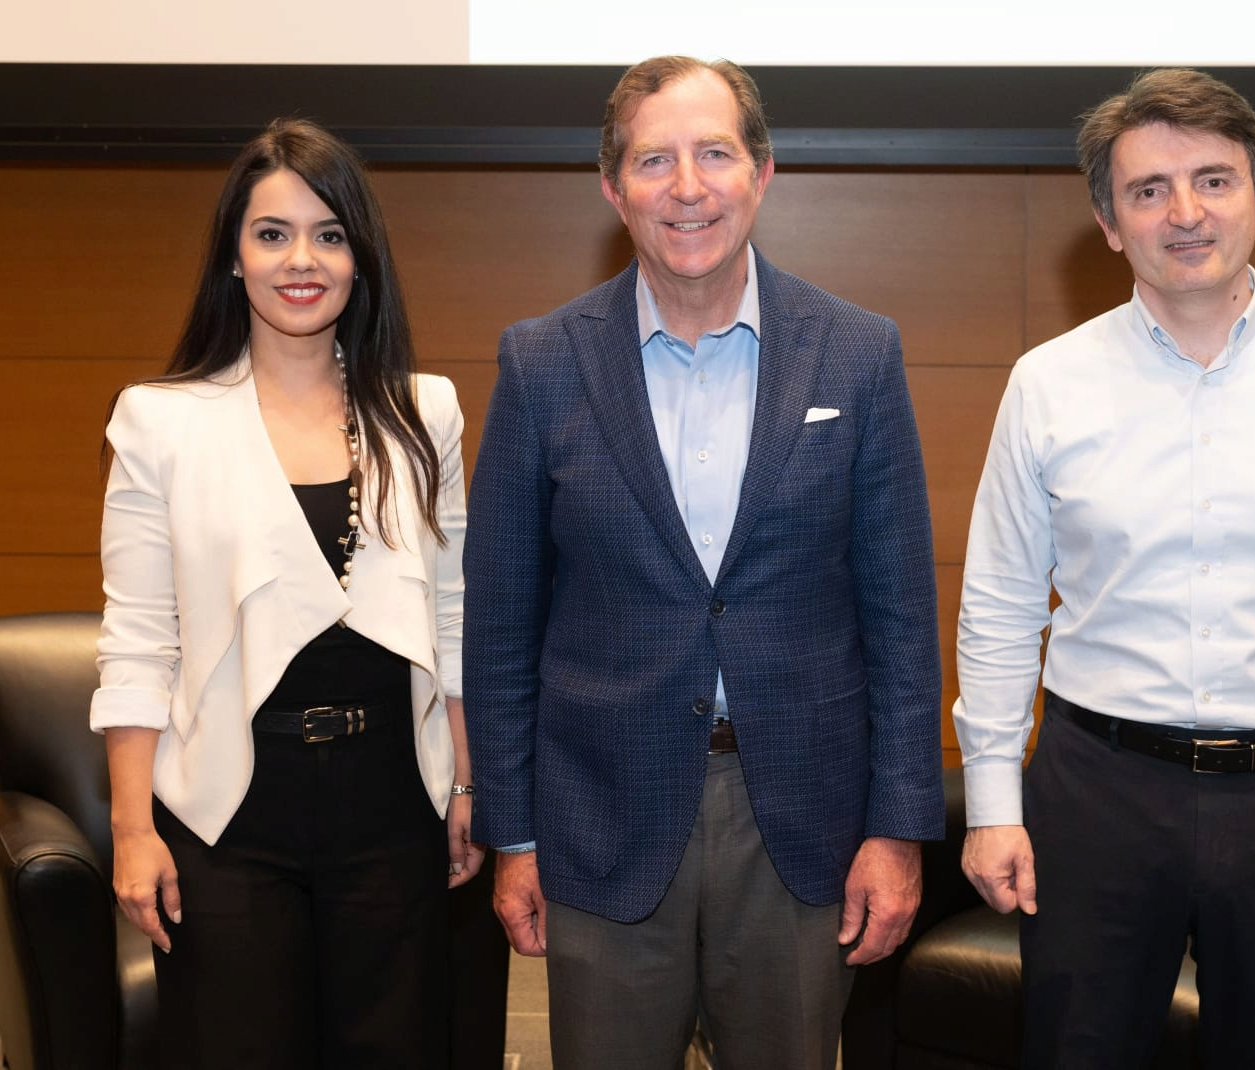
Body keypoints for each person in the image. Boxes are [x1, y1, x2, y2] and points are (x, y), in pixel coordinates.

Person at [952, 67, 1255, 1069]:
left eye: (1214, 180)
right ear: (1108, 220)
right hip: (1095, 792)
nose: (1184, 212)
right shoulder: (1045, 383)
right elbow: (1002, 608)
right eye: (1148, 189)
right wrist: (992, 801)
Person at [463, 55, 943, 1070]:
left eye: (714, 154)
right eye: (654, 161)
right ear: (612, 188)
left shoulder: (858, 352)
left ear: (761, 172)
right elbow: (501, 621)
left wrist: (898, 829)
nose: (687, 186)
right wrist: (512, 834)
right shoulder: (539, 362)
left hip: (803, 825)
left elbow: (900, 614)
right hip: (599, 817)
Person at [92, 117, 481, 1069]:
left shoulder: (422, 410)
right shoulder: (161, 422)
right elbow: (139, 641)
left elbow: (452, 614)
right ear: (233, 256)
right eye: (271, 233)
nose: (300, 259)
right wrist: (133, 829)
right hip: (230, 811)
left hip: (395, 802)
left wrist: (468, 783)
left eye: (329, 233)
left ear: (360, 257)